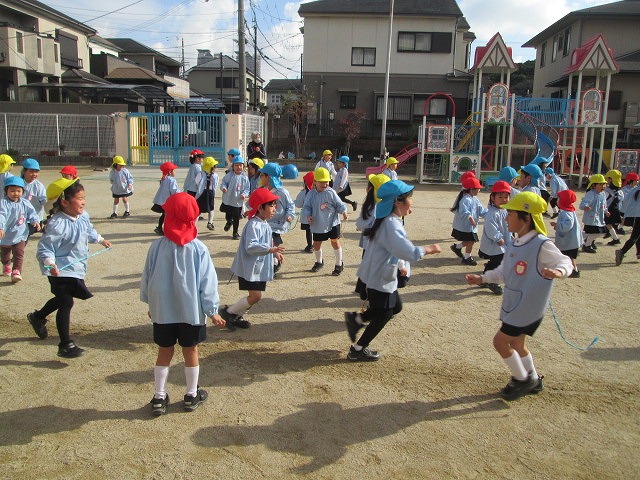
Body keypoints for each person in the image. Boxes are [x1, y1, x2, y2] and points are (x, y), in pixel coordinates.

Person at [465, 191, 573, 400]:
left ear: (526, 218)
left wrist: (559, 271)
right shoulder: (515, 242)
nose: (506, 218)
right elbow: (504, 272)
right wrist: (483, 278)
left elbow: (565, 261)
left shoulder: (541, 244)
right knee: (517, 344)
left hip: (526, 308)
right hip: (516, 304)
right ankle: (533, 379)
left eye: (510, 214)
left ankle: (522, 379)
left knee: (500, 342)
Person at [141, 192, 225, 415]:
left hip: (164, 312)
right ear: (193, 218)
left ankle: (159, 396)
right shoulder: (199, 249)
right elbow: (208, 283)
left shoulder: (157, 247)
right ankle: (191, 394)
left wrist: (151, 305)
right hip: (191, 312)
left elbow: (147, 278)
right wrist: (212, 310)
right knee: (191, 350)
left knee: (164, 350)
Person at [344, 180, 441, 361]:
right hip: (380, 276)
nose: (412, 201)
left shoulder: (387, 220)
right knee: (386, 313)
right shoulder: (391, 224)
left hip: (379, 273)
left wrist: (401, 265)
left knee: (395, 307)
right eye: (410, 197)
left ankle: (356, 320)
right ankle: (357, 349)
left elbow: (394, 249)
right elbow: (407, 251)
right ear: (398, 201)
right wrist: (429, 249)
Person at [29, 178, 112, 358]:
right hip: (59, 269)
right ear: (64, 202)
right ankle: (65, 344)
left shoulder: (83, 216)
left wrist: (100, 239)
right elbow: (45, 248)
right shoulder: (56, 224)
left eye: (84, 198)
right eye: (79, 198)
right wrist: (50, 263)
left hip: (76, 267)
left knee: (62, 300)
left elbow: (88, 230)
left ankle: (38, 317)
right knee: (66, 302)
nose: (83, 202)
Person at [220, 188, 285, 330]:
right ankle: (229, 312)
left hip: (257, 268)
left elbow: (267, 242)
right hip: (249, 267)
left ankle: (235, 314)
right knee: (255, 296)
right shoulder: (253, 225)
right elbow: (251, 246)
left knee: (255, 297)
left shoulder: (264, 223)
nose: (274, 209)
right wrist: (270, 250)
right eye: (271, 206)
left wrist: (274, 253)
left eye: (275, 205)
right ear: (260, 207)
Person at [302, 167, 348, 276]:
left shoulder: (331, 192)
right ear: (315, 182)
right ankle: (319, 262)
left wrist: (344, 211)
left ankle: (339, 264)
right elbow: (306, 207)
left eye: (326, 181)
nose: (325, 184)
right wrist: (308, 215)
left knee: (335, 242)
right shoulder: (311, 194)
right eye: (321, 182)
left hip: (332, 223)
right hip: (318, 223)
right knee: (317, 244)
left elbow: (339, 204)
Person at [354, 173, 390, 299]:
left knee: (368, 265)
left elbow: (362, 224)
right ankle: (363, 290)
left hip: (371, 243)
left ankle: (364, 291)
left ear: (371, 189)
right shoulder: (386, 205)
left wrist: (359, 226)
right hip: (379, 243)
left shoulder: (371, 206)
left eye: (368, 185)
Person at [0, 176, 41, 282]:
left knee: (19, 253)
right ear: (6, 191)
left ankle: (16, 271)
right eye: (12, 191)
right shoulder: (3, 203)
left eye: (18, 191)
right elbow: (1, 215)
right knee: (4, 254)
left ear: (23, 191)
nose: (16, 193)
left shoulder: (25, 203)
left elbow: (32, 213)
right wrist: (1, 227)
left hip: (20, 233)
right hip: (6, 234)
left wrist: (35, 221)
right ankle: (6, 264)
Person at [259, 162, 294, 274]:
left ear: (268, 177)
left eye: (262, 175)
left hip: (276, 225)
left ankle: (274, 265)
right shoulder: (262, 190)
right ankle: (273, 261)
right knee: (264, 246)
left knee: (272, 245)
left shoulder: (282, 192)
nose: (260, 177)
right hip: (263, 224)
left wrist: (289, 216)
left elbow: (290, 206)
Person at [477, 180, 512, 295]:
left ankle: (484, 279)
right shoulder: (492, 213)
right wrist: (498, 238)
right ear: (493, 198)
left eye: (506, 197)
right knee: (498, 260)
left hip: (503, 241)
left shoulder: (505, 211)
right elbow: (490, 229)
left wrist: (511, 235)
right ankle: (492, 281)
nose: (503, 200)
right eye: (500, 197)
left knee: (496, 261)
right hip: (495, 244)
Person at [450, 175, 487, 266]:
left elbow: (481, 210)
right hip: (466, 226)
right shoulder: (465, 199)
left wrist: (489, 215)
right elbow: (463, 211)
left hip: (470, 227)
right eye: (478, 188)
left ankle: (457, 247)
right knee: (471, 241)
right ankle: (467, 257)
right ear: (471, 189)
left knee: (470, 241)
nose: (479, 190)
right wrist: (470, 217)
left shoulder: (475, 199)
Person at [550, 189, 582, 278]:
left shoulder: (566, 213)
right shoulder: (569, 210)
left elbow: (567, 226)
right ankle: (574, 270)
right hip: (571, 240)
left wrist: (557, 225)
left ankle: (574, 271)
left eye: (559, 199)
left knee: (569, 257)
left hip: (569, 241)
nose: (557, 200)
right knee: (569, 257)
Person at [220, 156, 250, 240]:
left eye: (240, 165)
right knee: (228, 215)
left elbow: (247, 188)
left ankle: (235, 232)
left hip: (238, 201)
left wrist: (244, 194)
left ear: (243, 166)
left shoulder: (245, 177)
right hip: (228, 200)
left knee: (236, 218)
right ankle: (229, 222)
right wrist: (223, 188)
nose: (238, 167)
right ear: (233, 166)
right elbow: (223, 183)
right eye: (236, 165)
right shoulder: (229, 175)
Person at [579, 174, 609, 253]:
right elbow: (583, 204)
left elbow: (604, 204)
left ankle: (584, 241)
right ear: (593, 185)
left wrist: (606, 211)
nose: (603, 186)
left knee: (595, 232)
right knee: (595, 232)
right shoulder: (590, 194)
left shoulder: (603, 194)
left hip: (599, 217)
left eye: (604, 184)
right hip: (591, 217)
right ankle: (586, 245)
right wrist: (585, 206)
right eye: (600, 184)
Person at [615, 181, 640, 266]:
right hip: (637, 216)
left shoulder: (634, 190)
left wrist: (624, 215)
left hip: (633, 216)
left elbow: (625, 202)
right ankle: (622, 251)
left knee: (636, 235)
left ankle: (639, 252)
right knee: (635, 236)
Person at [151, 162, 180, 235]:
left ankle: (159, 228)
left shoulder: (164, 179)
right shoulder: (172, 180)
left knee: (164, 215)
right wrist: (179, 194)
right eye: (174, 170)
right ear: (170, 172)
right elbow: (174, 190)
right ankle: (168, 229)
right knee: (169, 216)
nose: (175, 172)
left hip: (162, 201)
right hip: (168, 201)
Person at [21, 158, 47, 233]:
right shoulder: (19, 183)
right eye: (31, 171)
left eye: (36, 172)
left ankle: (43, 227)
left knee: (26, 233)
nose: (34, 174)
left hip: (35, 217)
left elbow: (44, 200)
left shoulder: (38, 186)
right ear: (24, 171)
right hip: (20, 215)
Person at [196, 156, 219, 231]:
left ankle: (194, 224)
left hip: (202, 192)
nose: (215, 167)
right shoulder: (215, 175)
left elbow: (197, 182)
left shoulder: (201, 173)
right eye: (214, 166)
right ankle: (210, 222)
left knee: (199, 209)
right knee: (211, 208)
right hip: (209, 193)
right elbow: (215, 185)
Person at [294, 171, 315, 253]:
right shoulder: (320, 193)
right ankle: (315, 245)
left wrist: (293, 202)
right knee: (317, 231)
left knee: (308, 231)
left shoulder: (303, 193)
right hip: (317, 215)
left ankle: (310, 246)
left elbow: (298, 204)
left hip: (307, 216)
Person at [603, 169, 624, 245]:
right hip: (616, 211)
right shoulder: (620, 191)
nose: (606, 180)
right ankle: (615, 238)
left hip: (607, 211)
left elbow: (602, 201)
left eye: (607, 178)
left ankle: (589, 242)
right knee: (609, 225)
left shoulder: (607, 191)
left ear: (611, 179)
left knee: (603, 225)